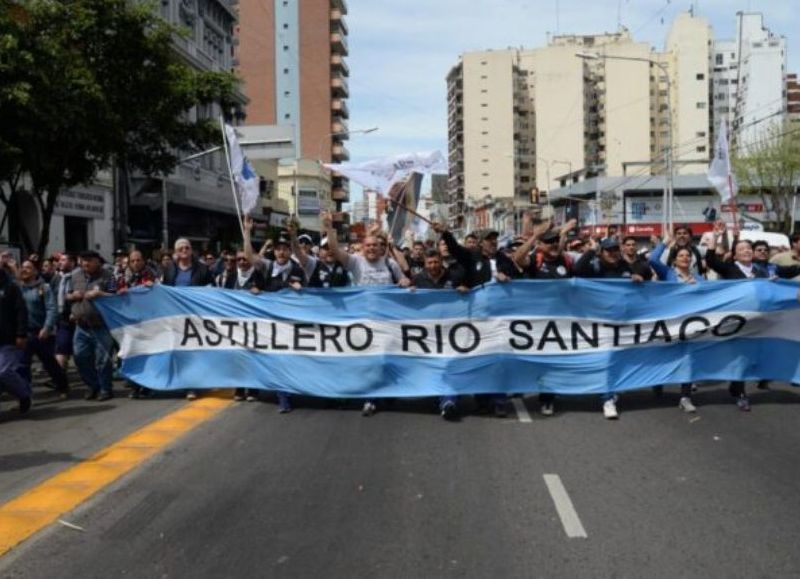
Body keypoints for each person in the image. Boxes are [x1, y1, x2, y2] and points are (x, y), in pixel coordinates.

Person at [321, 211, 410, 416]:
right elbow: (334, 249)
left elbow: (404, 278)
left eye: (375, 245)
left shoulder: (390, 263)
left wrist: (404, 282)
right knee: (369, 360)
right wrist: (329, 227)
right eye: (367, 245)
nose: (371, 248)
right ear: (362, 247)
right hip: (365, 322)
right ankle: (370, 398)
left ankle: (388, 393)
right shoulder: (355, 262)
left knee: (387, 359)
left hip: (388, 321)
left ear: (381, 247)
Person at [705, 224, 800, 411]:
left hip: (759, 322)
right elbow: (711, 261)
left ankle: (736, 385)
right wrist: (716, 237)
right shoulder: (730, 269)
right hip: (737, 321)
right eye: (742, 249)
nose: (747, 251)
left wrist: (775, 285)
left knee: (752, 355)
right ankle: (740, 392)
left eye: (749, 248)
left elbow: (786, 276)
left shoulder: (762, 270)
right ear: (735, 254)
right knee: (741, 355)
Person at [434, 221, 511, 417]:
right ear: (480, 243)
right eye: (488, 240)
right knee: (470, 358)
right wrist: (446, 233)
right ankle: (459, 399)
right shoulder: (472, 257)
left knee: (496, 360)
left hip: (498, 319)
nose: (493, 243)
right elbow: (456, 250)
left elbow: (519, 273)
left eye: (495, 239)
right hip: (474, 319)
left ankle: (497, 400)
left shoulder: (503, 258)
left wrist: (507, 276)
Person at [573, 237, 645, 419]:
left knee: (618, 359)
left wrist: (636, 277)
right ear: (601, 252)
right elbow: (577, 270)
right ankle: (607, 398)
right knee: (607, 359)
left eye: (615, 249)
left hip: (621, 322)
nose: (612, 253)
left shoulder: (623, 266)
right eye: (608, 250)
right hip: (599, 322)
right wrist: (590, 250)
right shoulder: (594, 267)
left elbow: (636, 282)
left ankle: (611, 391)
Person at [513, 220, 576, 416]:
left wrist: (562, 232)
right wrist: (534, 236)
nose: (554, 244)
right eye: (549, 242)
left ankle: (547, 398)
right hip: (536, 323)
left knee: (552, 361)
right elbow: (517, 257)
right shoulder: (535, 261)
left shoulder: (566, 261)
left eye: (556, 241)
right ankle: (520, 384)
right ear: (541, 245)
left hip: (561, 323)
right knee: (533, 361)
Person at [243, 217, 305, 412]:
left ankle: (288, 392)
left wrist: (300, 290)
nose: (281, 252)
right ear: (274, 251)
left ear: (289, 251)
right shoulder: (268, 266)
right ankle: (279, 395)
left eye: (285, 248)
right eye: (278, 248)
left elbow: (307, 295)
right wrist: (247, 232)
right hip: (269, 324)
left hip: (290, 324)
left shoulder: (297, 269)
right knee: (271, 358)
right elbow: (250, 256)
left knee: (288, 359)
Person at [649, 233, 705, 413]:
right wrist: (664, 243)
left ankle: (685, 397)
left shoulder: (700, 279)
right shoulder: (668, 273)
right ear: (674, 260)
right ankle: (658, 382)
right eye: (681, 255)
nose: (685, 258)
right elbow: (653, 259)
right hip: (668, 323)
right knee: (663, 356)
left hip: (689, 325)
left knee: (688, 359)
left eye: (688, 256)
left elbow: (714, 295)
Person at [411, 249, 468, 420]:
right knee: (432, 365)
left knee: (449, 365)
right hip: (427, 332)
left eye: (436, 262)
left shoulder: (454, 276)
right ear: (425, 264)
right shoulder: (419, 279)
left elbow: (467, 291)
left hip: (451, 330)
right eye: (429, 263)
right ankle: (437, 393)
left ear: (441, 261)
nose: (433, 266)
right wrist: (409, 291)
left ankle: (448, 401)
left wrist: (465, 290)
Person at [161, 238, 214, 400]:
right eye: (180, 248)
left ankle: (192, 386)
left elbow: (212, 289)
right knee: (179, 351)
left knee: (193, 351)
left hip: (195, 317)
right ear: (176, 252)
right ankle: (183, 382)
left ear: (191, 250)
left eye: (187, 247)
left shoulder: (203, 269)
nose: (184, 250)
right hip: (176, 318)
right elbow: (165, 291)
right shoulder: (169, 270)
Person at [67, 251, 117, 401]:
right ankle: (92, 385)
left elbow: (116, 297)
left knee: (103, 360)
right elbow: (67, 295)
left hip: (101, 326)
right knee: (80, 357)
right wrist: (72, 296)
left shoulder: (108, 275)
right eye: (83, 260)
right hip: (81, 326)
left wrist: (100, 294)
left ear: (98, 261)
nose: (85, 264)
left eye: (89, 260)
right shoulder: (75, 275)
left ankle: (105, 388)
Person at [18, 259, 70, 398]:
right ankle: (24, 395)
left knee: (49, 363)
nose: (24, 270)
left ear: (35, 271)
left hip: (41, 333)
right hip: (24, 333)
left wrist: (47, 327)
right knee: (22, 365)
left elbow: (51, 308)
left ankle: (62, 386)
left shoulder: (43, 288)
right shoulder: (17, 288)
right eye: (22, 267)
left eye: (28, 268)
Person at [117, 250, 158, 399]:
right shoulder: (122, 277)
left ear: (143, 261)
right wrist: (119, 292)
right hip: (129, 322)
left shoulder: (151, 276)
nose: (135, 263)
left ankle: (147, 386)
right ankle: (134, 386)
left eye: (138, 260)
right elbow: (112, 293)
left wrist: (152, 287)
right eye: (132, 261)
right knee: (131, 354)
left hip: (148, 321)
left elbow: (159, 294)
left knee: (147, 355)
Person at [0, 262, 32, 415]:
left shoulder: (11, 287)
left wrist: (21, 334)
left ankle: (23, 394)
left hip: (8, 338)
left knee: (3, 372)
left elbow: (21, 311)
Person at [51, 252, 78, 371]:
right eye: (59, 260)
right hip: (62, 319)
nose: (60, 262)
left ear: (72, 262)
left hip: (78, 319)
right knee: (61, 347)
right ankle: (61, 379)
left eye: (63, 260)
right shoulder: (56, 278)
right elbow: (51, 296)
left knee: (80, 352)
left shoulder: (78, 277)